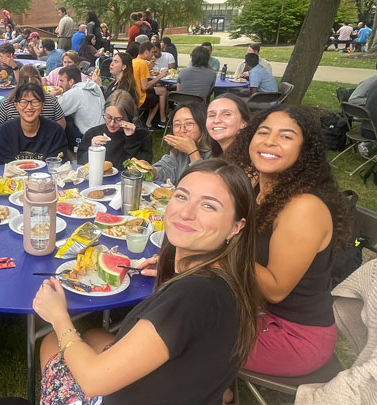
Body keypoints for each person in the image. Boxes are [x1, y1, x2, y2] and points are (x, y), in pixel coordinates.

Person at [34, 158, 260, 404]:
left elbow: (93, 380)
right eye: (182, 196)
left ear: (236, 226)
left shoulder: (192, 295)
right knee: (95, 334)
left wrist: (58, 317)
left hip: (109, 391)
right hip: (185, 387)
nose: (185, 213)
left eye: (208, 206)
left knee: (50, 342)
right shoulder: (230, 281)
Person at [224, 105, 349, 383]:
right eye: (263, 132)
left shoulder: (303, 208)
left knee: (186, 333)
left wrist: (221, 242)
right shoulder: (261, 189)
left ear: (305, 151)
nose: (270, 141)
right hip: (257, 311)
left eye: (286, 136)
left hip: (295, 336)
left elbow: (276, 289)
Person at [0, 83, 68, 164]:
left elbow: (55, 165)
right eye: (23, 102)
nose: (29, 107)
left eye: (35, 102)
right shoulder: (5, 131)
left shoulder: (55, 131)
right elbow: (3, 166)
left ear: (42, 105)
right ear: (16, 105)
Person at [77, 90, 148, 169]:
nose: (111, 123)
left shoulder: (143, 136)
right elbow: (80, 164)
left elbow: (141, 169)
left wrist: (131, 139)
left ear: (128, 117)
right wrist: (93, 150)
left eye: (118, 119)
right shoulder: (93, 133)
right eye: (108, 117)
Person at [151, 103, 212, 184]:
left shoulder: (214, 153)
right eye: (177, 125)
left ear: (202, 126)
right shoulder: (179, 151)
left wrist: (192, 152)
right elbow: (166, 168)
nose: (182, 130)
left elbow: (203, 184)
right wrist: (151, 170)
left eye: (189, 124)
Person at [0, 65, 66, 129]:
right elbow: (62, 126)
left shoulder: (10, 101)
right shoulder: (52, 101)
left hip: (15, 142)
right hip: (46, 143)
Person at [57, 66, 105, 155]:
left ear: (71, 81)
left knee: (58, 127)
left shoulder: (75, 92)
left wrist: (51, 96)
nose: (59, 84)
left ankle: (69, 160)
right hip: (102, 131)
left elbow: (54, 110)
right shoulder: (92, 87)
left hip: (88, 136)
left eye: (61, 81)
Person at [207, 93, 249, 158]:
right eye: (212, 115)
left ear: (243, 123)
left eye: (227, 114)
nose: (216, 120)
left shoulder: (250, 159)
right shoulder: (215, 154)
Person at [131, 42, 163, 128]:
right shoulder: (143, 63)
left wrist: (149, 67)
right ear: (146, 52)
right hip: (139, 97)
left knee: (160, 91)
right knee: (159, 99)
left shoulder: (133, 61)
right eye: (152, 52)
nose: (153, 55)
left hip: (132, 95)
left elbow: (139, 76)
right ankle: (150, 123)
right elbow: (144, 86)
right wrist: (159, 76)